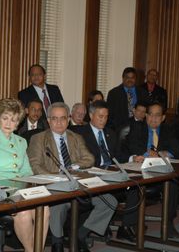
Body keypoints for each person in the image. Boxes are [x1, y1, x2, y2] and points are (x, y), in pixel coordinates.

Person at [28, 102, 117, 252]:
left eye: (63, 118)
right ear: (48, 120)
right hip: (55, 185)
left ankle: (81, 234)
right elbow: (35, 166)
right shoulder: (38, 138)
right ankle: (57, 242)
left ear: (68, 120)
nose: (59, 122)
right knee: (58, 205)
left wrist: (73, 167)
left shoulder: (75, 137)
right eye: (54, 119)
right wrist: (58, 177)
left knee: (110, 201)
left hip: (78, 183)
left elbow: (89, 159)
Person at [0, 98, 49, 252]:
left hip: (21, 189)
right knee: (24, 213)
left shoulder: (21, 141)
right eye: (5, 118)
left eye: (14, 120)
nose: (9, 123)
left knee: (44, 208)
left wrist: (32, 188)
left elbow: (27, 171)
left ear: (18, 123)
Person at [72, 100, 138, 242]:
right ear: (90, 115)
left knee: (135, 186)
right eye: (100, 116)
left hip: (111, 172)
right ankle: (83, 233)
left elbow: (117, 155)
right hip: (94, 175)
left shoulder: (110, 133)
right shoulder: (80, 134)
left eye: (106, 116)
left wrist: (132, 158)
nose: (103, 120)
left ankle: (125, 227)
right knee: (108, 198)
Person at [126, 102, 179, 238]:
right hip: (141, 170)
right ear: (145, 115)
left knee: (173, 182)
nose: (153, 118)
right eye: (150, 114)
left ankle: (168, 222)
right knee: (134, 185)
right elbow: (131, 146)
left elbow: (178, 150)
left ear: (163, 118)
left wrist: (164, 153)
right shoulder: (137, 127)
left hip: (161, 171)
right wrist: (146, 154)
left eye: (157, 115)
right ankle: (131, 224)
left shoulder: (168, 130)